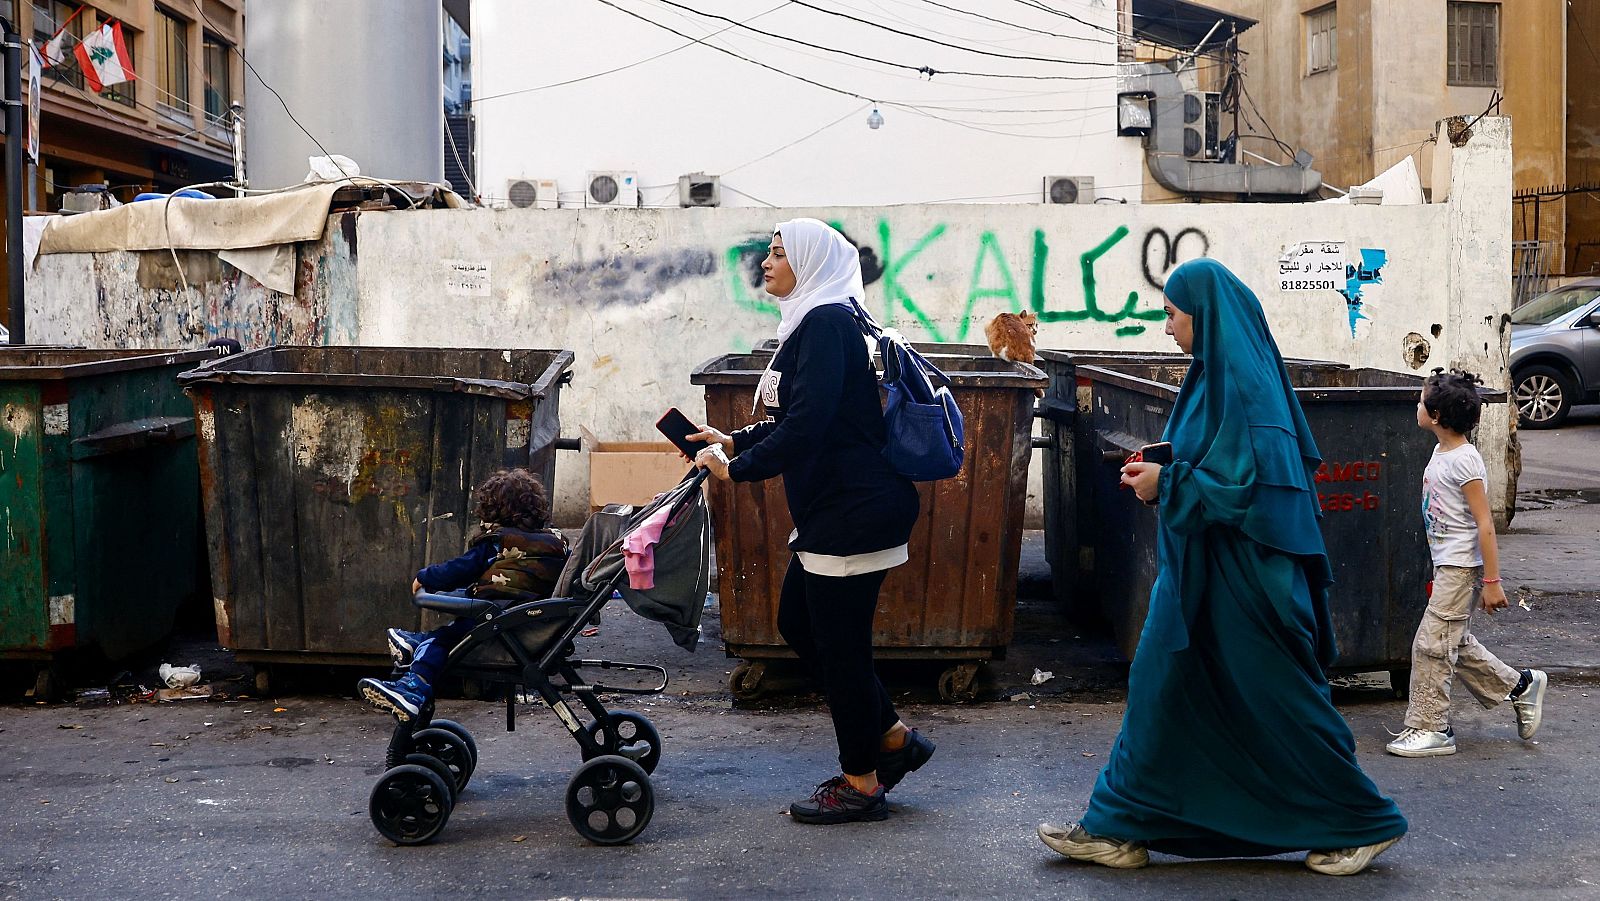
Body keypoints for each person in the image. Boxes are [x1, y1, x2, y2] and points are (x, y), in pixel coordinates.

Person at [1037, 258, 1408, 876]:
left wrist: (1169, 482)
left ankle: (1358, 820)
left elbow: (1254, 487)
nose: (1166, 328)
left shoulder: (1248, 387)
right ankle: (1119, 825)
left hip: (1250, 581)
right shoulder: (1214, 376)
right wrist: (1167, 465)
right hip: (1200, 576)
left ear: (1204, 318)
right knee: (1161, 686)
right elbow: (1218, 460)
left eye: (1172, 315)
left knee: (1278, 699)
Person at [690, 217, 934, 825]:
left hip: (853, 509)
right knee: (799, 622)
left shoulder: (826, 323)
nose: (766, 263)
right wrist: (736, 439)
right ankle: (894, 740)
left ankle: (862, 781)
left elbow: (810, 427)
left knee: (840, 649)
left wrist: (737, 471)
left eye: (778, 253)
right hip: (837, 507)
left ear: (810, 262)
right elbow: (803, 416)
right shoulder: (819, 319)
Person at [1385, 369, 1547, 757]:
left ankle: (1432, 727)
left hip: (1461, 568)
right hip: (1447, 564)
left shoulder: (1465, 461)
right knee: (1452, 641)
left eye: (1422, 402)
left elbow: (1485, 524)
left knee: (1431, 645)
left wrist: (1492, 580)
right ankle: (1520, 685)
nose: (1417, 405)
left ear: (1437, 416)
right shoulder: (1443, 449)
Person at [358, 468, 569, 723]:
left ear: (494, 512)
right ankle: (416, 643)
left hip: (498, 622)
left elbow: (459, 569)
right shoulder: (554, 543)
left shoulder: (499, 542)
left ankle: (413, 689)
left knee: (442, 641)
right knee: (449, 632)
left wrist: (425, 577)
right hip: (527, 622)